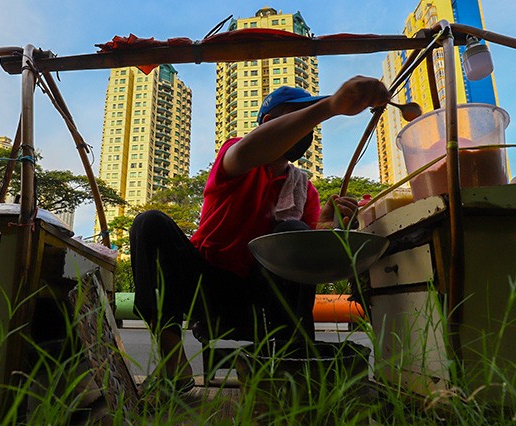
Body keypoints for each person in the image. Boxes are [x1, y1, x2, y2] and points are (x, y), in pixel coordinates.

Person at [130, 75, 390, 391]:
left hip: (262, 298)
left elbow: (303, 256)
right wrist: (331, 106)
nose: (304, 128)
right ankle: (174, 366)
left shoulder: (304, 190)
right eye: (297, 118)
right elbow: (250, 150)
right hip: (205, 287)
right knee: (149, 224)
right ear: (267, 123)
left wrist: (328, 227)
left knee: (296, 233)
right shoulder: (237, 157)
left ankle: (293, 369)